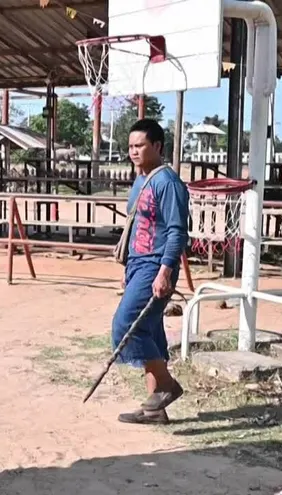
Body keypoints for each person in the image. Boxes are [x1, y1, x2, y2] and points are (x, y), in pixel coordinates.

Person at [112, 118, 189, 425]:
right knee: (150, 330)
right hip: (137, 264)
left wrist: (165, 271)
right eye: (131, 146)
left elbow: (177, 231)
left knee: (126, 325)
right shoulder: (140, 180)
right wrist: (128, 267)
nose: (134, 151)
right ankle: (154, 409)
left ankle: (167, 386)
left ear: (157, 146)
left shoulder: (168, 183)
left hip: (156, 265)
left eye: (140, 145)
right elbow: (137, 226)